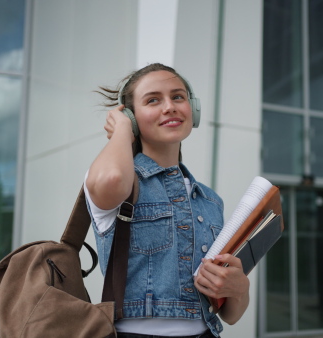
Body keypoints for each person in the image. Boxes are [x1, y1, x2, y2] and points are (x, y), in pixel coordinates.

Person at [84, 63, 250, 338]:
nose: (170, 106)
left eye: (178, 97)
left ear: (192, 109)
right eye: (153, 100)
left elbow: (231, 315)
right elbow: (112, 179)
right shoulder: (119, 178)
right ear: (132, 116)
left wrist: (239, 288)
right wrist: (124, 130)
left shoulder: (211, 200)